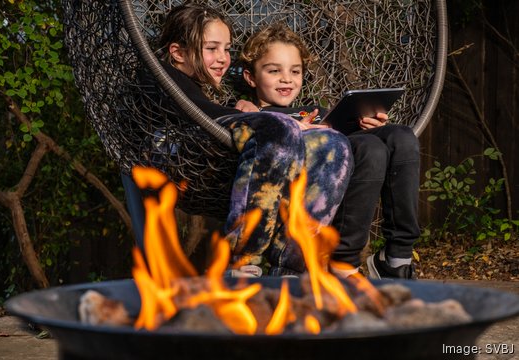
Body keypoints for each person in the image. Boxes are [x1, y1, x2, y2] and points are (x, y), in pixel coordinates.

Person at [130, 3, 353, 277]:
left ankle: (293, 264)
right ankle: (242, 258)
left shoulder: (196, 87)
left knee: (334, 144)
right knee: (276, 128)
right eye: (211, 48)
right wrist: (256, 117)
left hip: (219, 153)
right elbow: (198, 113)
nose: (223, 58)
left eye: (226, 48)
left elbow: (207, 111)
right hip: (181, 163)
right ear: (178, 53)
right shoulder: (157, 76)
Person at [238, 23, 420, 279]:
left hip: (342, 153)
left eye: (295, 71)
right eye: (273, 70)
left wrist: (367, 124)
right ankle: (344, 262)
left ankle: (397, 256)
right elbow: (252, 136)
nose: (286, 78)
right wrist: (272, 119)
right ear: (251, 77)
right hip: (306, 173)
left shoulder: (313, 111)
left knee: (401, 137)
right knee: (370, 148)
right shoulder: (253, 111)